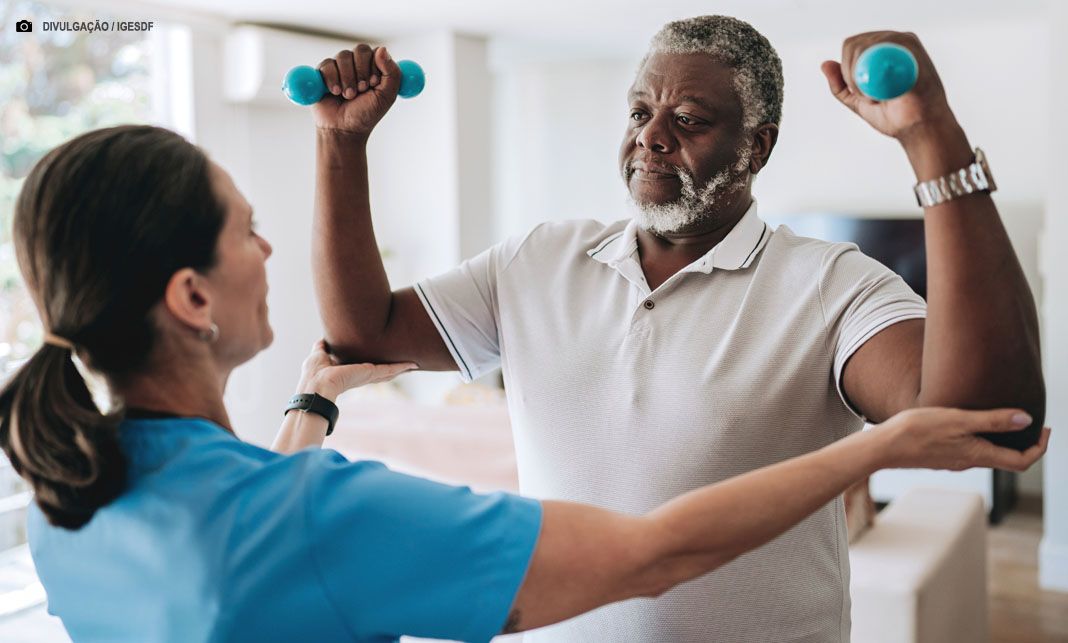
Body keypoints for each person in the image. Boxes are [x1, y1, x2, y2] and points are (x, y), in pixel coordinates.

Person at [0, 125, 1048, 643]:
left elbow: (249, 537)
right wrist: (879, 449)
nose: (268, 248)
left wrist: (311, 411)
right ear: (191, 296)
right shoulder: (317, 514)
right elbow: (651, 555)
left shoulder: (68, 493)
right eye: (244, 231)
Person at [311, 16, 1047, 642]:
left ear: (757, 148)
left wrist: (932, 139)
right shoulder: (539, 259)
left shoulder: (831, 285)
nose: (652, 137)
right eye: (639, 113)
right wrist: (341, 145)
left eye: (689, 119)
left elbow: (985, 419)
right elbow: (367, 331)